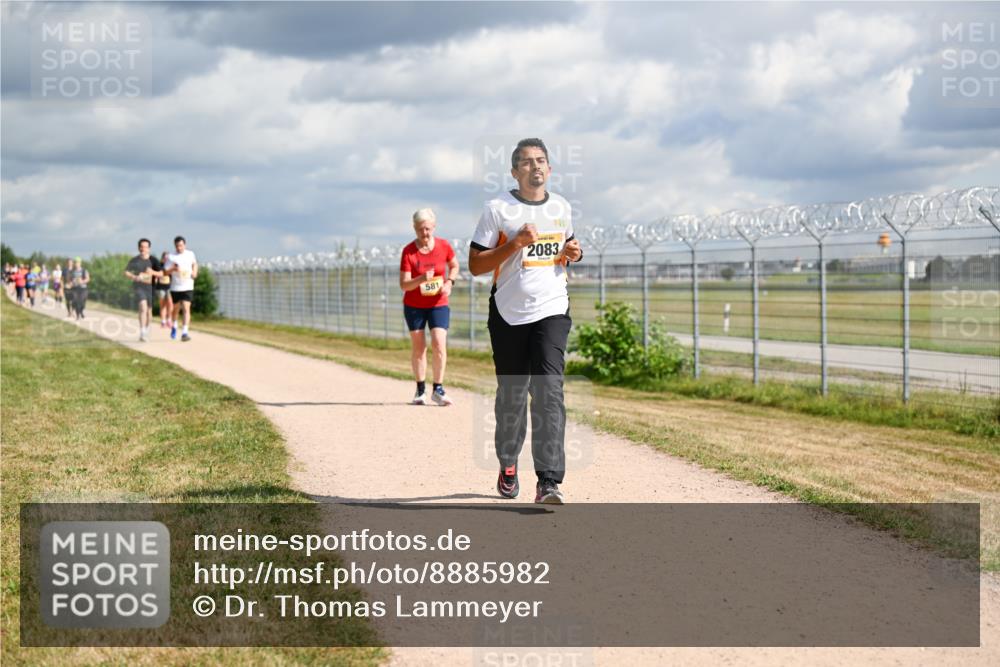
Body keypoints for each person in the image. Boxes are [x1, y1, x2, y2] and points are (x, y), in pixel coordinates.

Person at [468, 137, 583, 504]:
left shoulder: (561, 207)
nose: (535, 167)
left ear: (550, 168)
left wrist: (573, 253)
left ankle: (549, 481)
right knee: (513, 395)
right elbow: (475, 265)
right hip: (508, 313)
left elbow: (566, 248)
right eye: (527, 162)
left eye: (541, 161)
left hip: (552, 308)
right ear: (515, 171)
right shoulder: (497, 209)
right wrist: (514, 244)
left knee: (549, 390)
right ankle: (507, 462)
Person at [399, 208, 459, 406]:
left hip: (438, 303)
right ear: (414, 229)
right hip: (414, 305)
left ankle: (438, 389)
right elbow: (404, 284)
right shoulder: (409, 251)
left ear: (433, 227)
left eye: (427, 229)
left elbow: (455, 265)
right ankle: (420, 389)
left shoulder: (443, 246)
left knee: (439, 343)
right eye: (419, 229)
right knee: (419, 347)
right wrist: (421, 279)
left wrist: (449, 282)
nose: (424, 233)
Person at [124, 238, 161, 342]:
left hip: (151, 288)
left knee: (149, 312)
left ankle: (147, 328)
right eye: (141, 246)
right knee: (143, 308)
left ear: (149, 248)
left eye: (145, 247)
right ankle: (142, 332)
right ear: (138, 247)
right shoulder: (134, 260)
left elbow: (162, 274)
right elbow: (126, 272)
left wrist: (152, 272)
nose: (143, 249)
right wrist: (134, 277)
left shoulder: (153, 260)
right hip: (139, 287)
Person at [164, 236, 197, 342]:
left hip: (188, 285)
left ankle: (184, 332)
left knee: (186, 308)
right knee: (176, 309)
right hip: (176, 286)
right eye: (177, 246)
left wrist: (194, 272)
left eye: (181, 245)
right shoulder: (171, 257)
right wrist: (173, 269)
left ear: (185, 245)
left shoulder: (190, 254)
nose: (179, 248)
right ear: (175, 246)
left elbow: (194, 264)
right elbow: (165, 272)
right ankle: (174, 326)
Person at [155, 251, 173, 329]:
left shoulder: (170, 266)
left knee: (170, 303)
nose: (166, 259)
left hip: (168, 287)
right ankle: (163, 321)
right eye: (165, 257)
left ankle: (169, 319)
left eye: (167, 258)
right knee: (163, 305)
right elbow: (155, 275)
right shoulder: (159, 265)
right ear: (162, 258)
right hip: (160, 287)